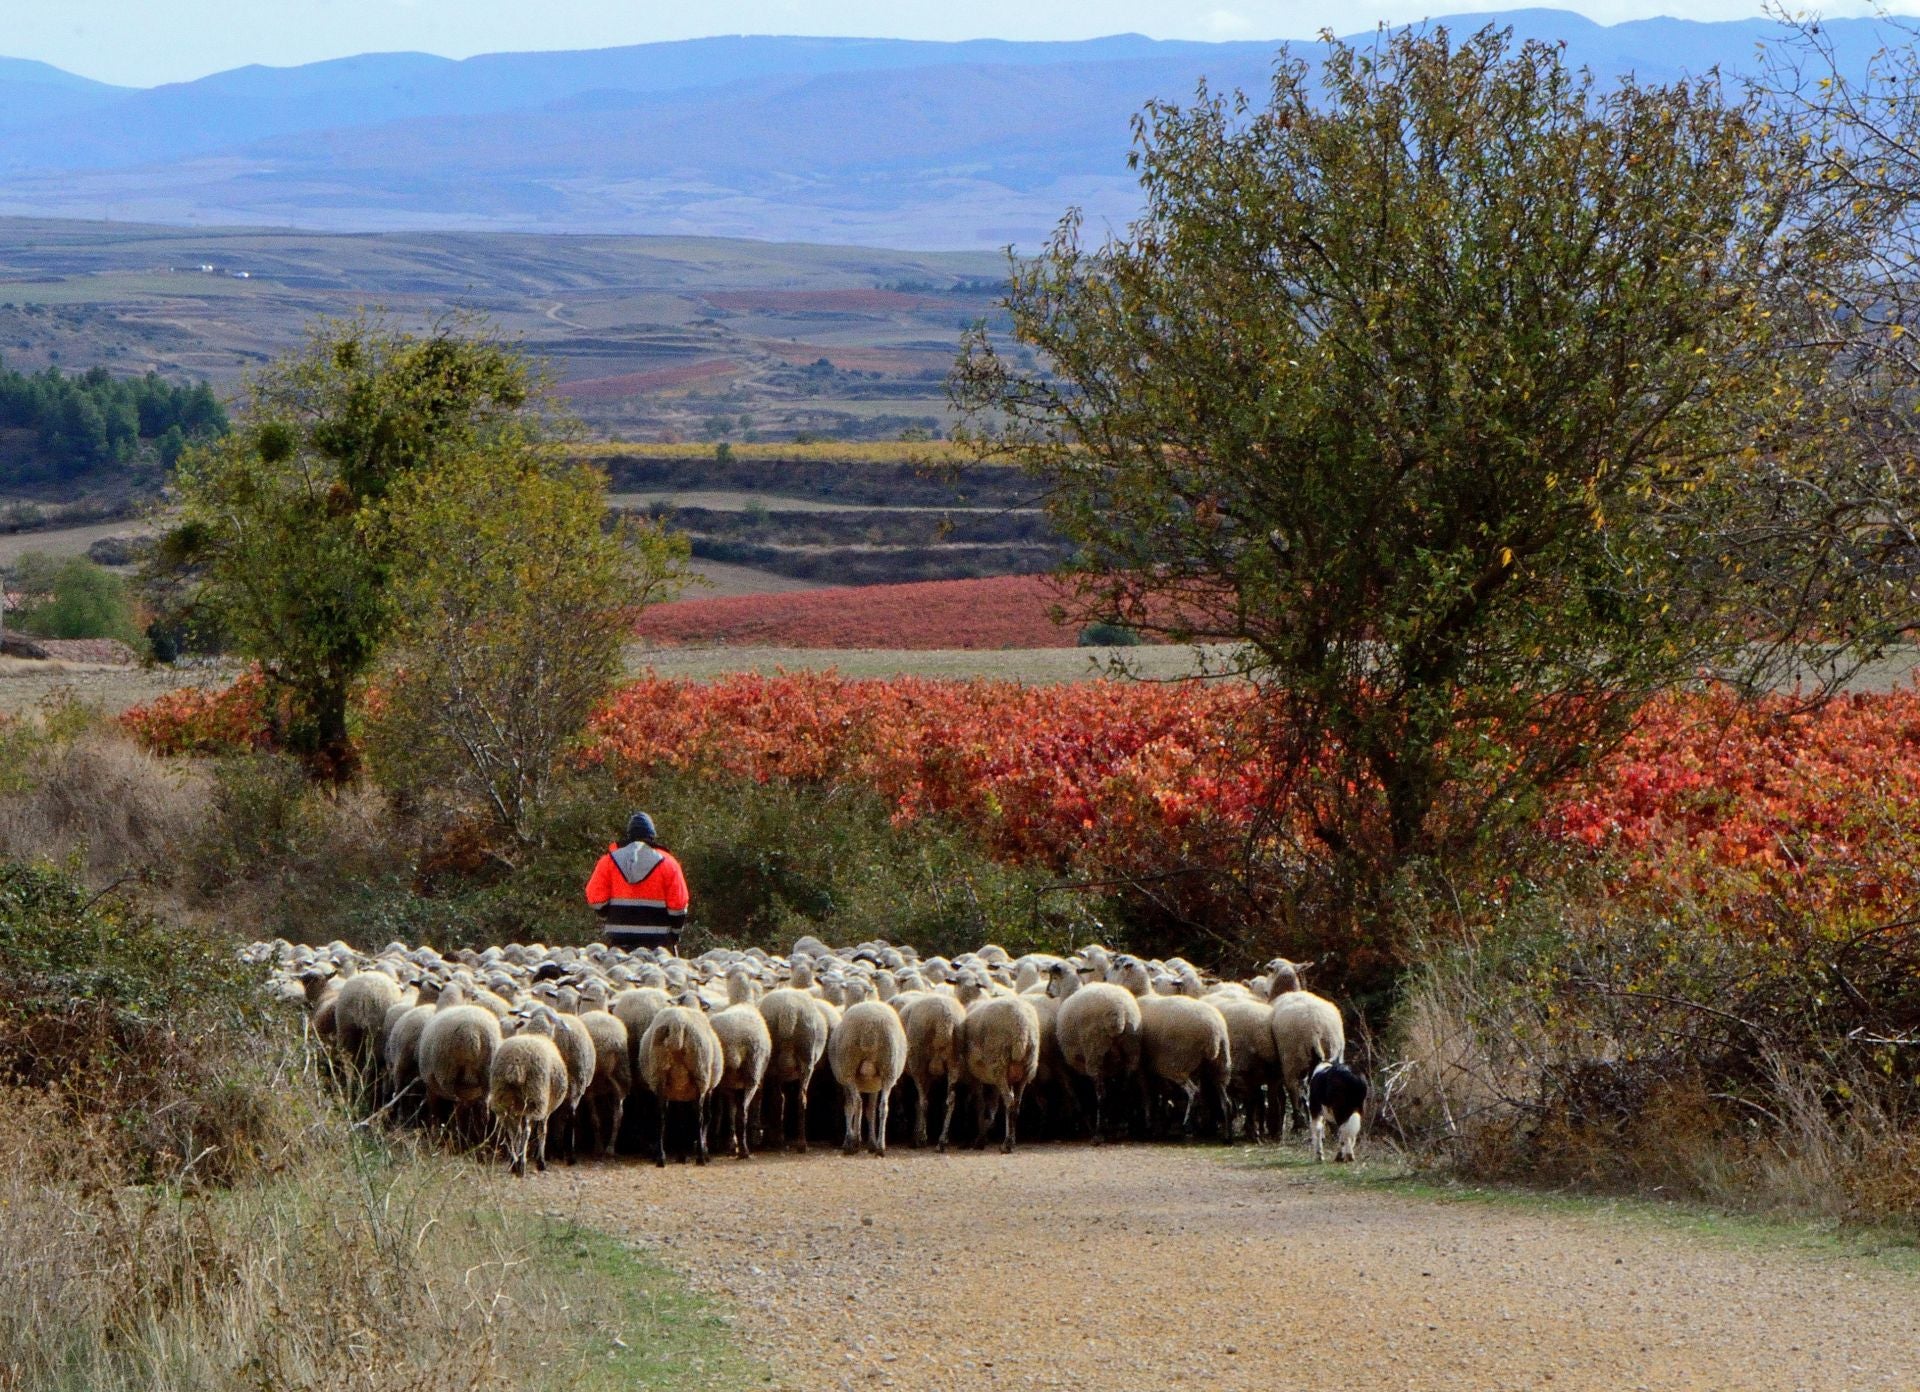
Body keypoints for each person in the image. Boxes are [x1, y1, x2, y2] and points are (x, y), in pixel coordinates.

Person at [585, 812, 690, 952]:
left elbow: (595, 898)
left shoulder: (608, 860)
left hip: (619, 941)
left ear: (629, 834)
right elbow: (679, 905)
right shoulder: (669, 863)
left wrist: (608, 914)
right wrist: (675, 935)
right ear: (652, 836)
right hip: (656, 943)